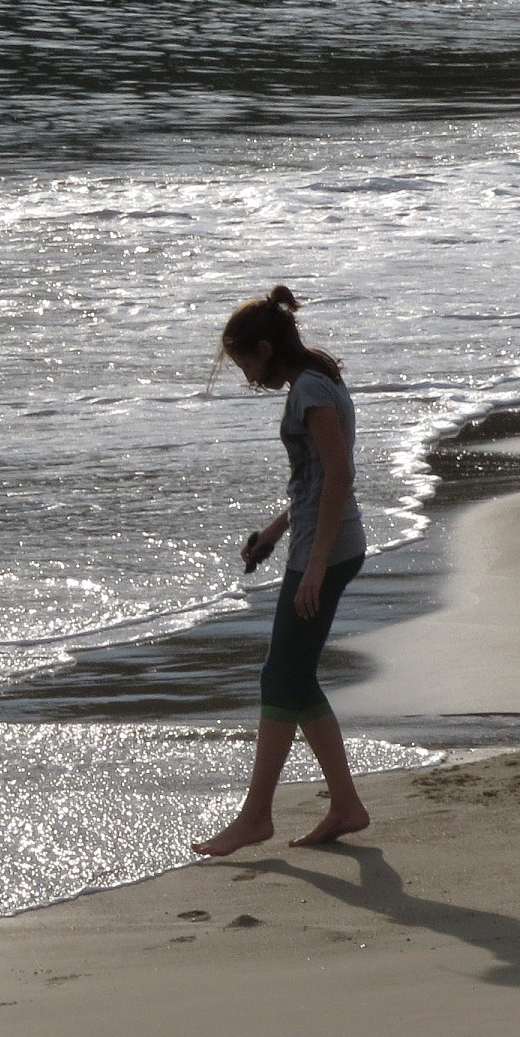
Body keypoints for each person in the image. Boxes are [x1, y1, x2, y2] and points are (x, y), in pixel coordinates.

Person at [192, 285, 372, 857]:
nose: (247, 376)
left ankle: (255, 817)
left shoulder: (311, 391)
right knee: (294, 677)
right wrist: (273, 534)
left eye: (246, 362)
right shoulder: (316, 379)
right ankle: (345, 805)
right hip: (322, 544)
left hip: (328, 549)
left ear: (266, 348)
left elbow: (340, 480)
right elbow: (317, 482)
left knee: (279, 678)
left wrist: (314, 568)